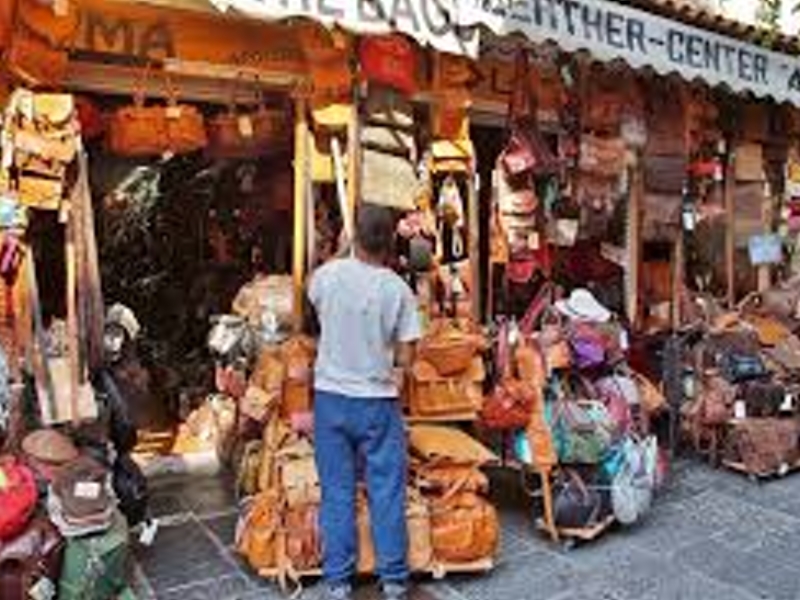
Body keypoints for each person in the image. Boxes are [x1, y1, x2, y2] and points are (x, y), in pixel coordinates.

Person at [307, 203, 421, 600]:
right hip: (377, 401)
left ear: (352, 236)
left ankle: (338, 581)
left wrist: (342, 248)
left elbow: (313, 295)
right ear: (390, 242)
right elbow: (407, 356)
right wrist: (394, 366)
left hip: (331, 400)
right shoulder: (398, 289)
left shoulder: (327, 277)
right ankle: (392, 579)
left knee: (336, 490)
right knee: (385, 488)